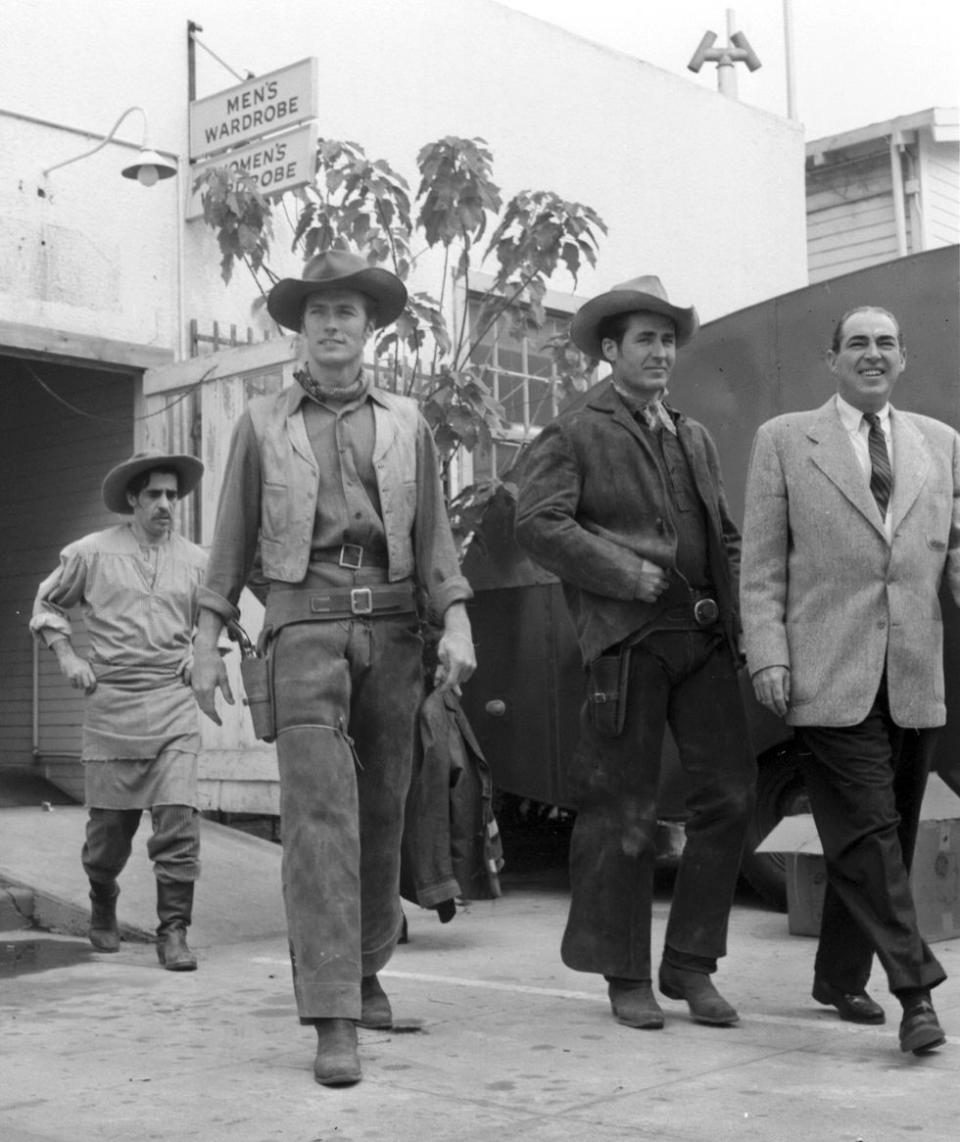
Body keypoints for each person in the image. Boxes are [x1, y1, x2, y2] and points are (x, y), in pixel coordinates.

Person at [190, 249, 476, 1087]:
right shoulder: (261, 422)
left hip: (391, 637)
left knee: (384, 809)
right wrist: (206, 642)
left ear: (370, 327)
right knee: (320, 816)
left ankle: (365, 971)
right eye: (316, 312)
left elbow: (433, 543)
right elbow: (231, 541)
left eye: (347, 311)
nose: (331, 324)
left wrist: (455, 620)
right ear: (301, 328)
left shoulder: (408, 424)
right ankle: (331, 1016)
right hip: (302, 632)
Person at [514, 275, 756, 1032]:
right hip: (627, 647)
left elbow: (725, 537)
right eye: (644, 339)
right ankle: (625, 975)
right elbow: (538, 524)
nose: (660, 352)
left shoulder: (693, 435)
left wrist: (744, 623)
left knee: (730, 800)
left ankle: (689, 965)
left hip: (705, 640)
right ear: (610, 350)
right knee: (623, 812)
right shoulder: (575, 429)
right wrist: (626, 573)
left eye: (667, 339)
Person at [741, 305, 959, 1056]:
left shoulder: (941, 443)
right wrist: (767, 652)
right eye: (858, 343)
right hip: (825, 669)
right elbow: (763, 565)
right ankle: (915, 991)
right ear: (831, 359)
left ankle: (838, 976)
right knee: (867, 832)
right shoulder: (783, 442)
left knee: (881, 842)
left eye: (887, 343)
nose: (873, 354)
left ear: (904, 359)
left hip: (913, 673)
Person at [30, 450, 207, 971]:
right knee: (108, 838)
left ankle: (173, 933)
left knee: (179, 822)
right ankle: (102, 898)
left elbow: (216, 620)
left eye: (172, 495)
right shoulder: (92, 553)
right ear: (132, 499)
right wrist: (68, 656)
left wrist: (200, 654)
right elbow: (46, 605)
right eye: (153, 494)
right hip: (112, 706)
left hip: (173, 706)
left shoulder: (197, 561)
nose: (164, 504)